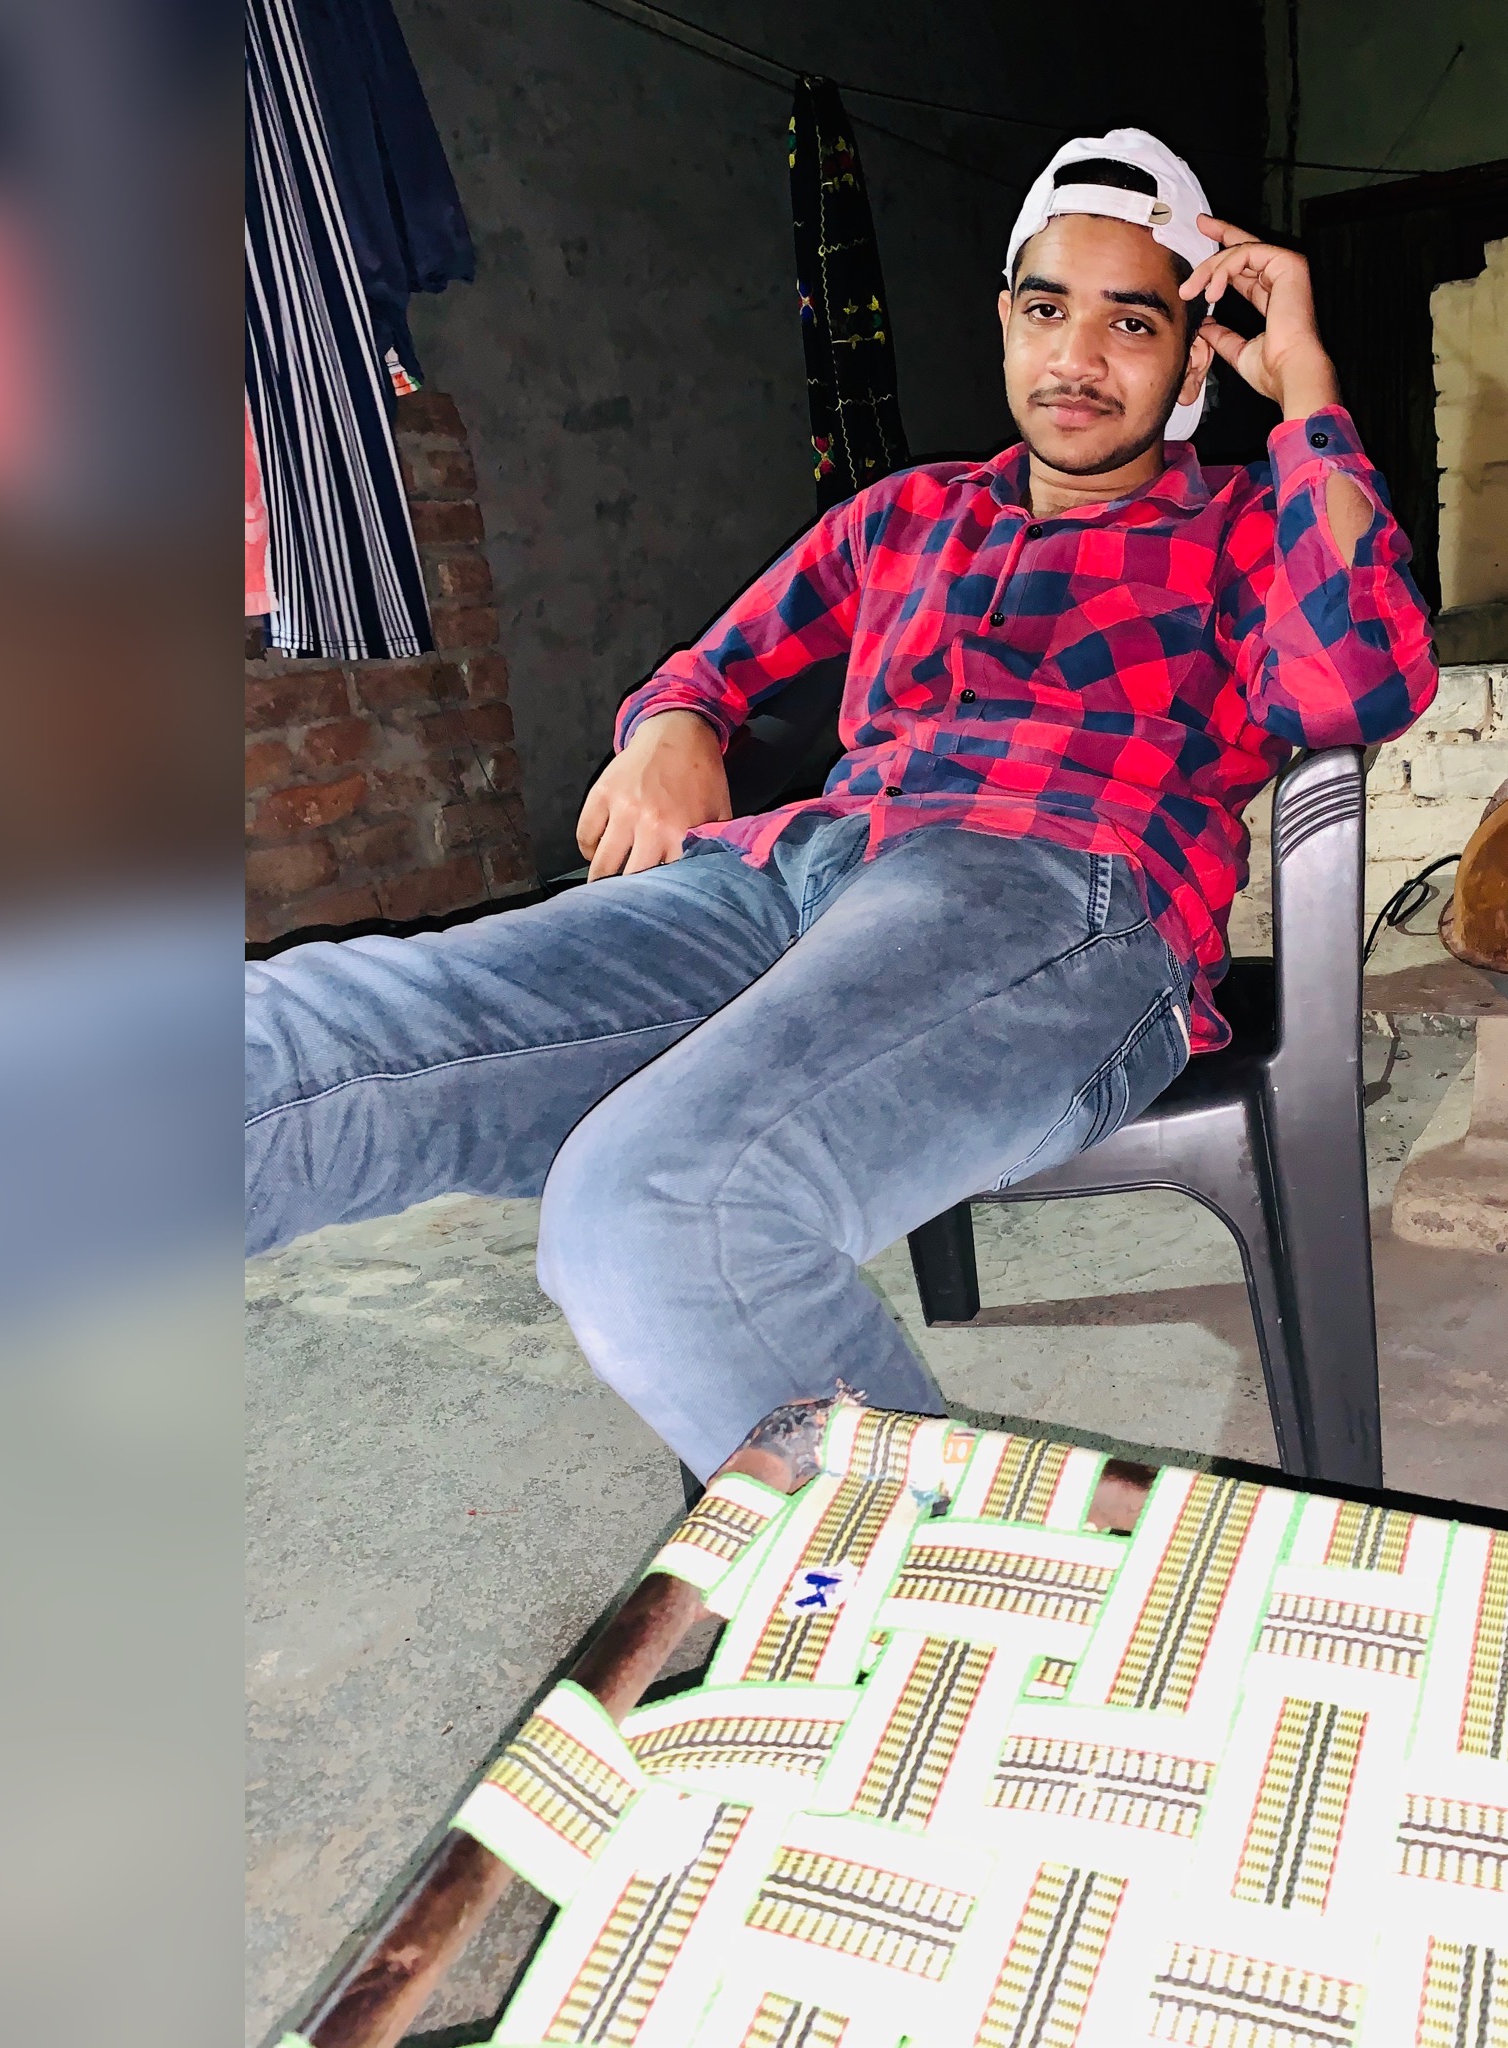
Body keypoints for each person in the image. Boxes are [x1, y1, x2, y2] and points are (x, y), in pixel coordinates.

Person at [246, 128, 1438, 1479]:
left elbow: (1358, 683)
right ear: (1005, 320)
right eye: (1047, 310)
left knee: (658, 1208)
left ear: (1193, 355)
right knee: (301, 1036)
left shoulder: (1245, 526)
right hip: (785, 881)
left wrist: (1307, 395)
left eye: (1131, 323)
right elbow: (712, 667)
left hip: (1054, 892)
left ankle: (925, 1595)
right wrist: (674, 726)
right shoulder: (907, 516)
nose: (1077, 358)